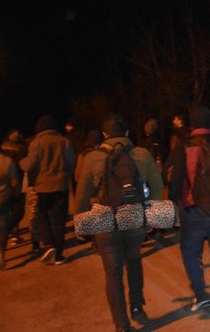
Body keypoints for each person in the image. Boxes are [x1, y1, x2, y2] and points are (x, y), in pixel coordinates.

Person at [75, 114, 164, 332]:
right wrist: (152, 215)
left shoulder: (92, 157)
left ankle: (121, 324)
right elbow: (157, 186)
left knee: (113, 273)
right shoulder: (142, 154)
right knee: (134, 260)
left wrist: (80, 222)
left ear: (104, 134)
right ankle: (137, 306)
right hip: (133, 216)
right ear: (126, 133)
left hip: (104, 218)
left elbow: (82, 194)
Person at [169, 107, 210, 318]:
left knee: (189, 251)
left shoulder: (184, 147)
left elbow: (175, 181)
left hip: (194, 209)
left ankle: (201, 293)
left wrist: (174, 204)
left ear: (193, 124)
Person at [19, 115, 76, 265]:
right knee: (59, 220)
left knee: (42, 216)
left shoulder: (36, 143)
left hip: (42, 187)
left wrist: (21, 161)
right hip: (61, 187)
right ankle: (59, 255)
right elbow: (71, 163)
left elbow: (28, 165)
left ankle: (49, 244)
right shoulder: (65, 142)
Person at [0, 142, 20, 269]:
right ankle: (1, 254)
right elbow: (14, 181)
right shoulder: (7, 161)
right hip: (2, 199)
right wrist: (16, 194)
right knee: (2, 228)